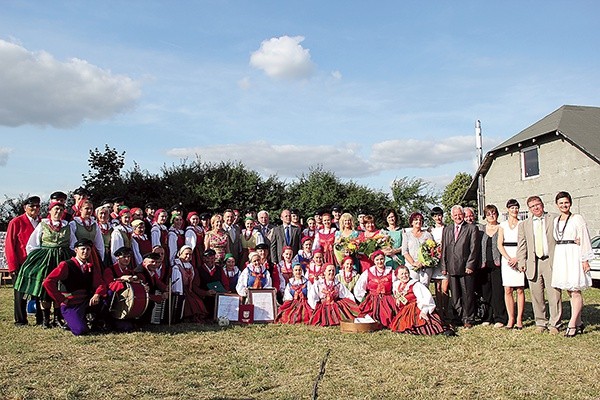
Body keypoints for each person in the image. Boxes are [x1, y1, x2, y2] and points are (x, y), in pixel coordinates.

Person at [14, 201, 72, 328]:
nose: (58, 212)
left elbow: (73, 243)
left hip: (63, 258)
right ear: (50, 211)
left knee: (60, 287)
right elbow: (32, 244)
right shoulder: (43, 225)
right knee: (46, 287)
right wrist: (36, 260)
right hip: (46, 259)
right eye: (56, 209)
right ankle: (46, 319)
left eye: (61, 210)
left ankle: (57, 318)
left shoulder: (68, 226)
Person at [42, 239, 107, 336]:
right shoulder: (66, 265)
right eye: (83, 249)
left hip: (86, 302)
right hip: (71, 303)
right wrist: (61, 299)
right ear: (76, 250)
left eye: (88, 249)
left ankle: (93, 319)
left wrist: (97, 294)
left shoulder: (90, 266)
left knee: (106, 298)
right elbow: (48, 282)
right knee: (80, 331)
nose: (86, 252)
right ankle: (72, 322)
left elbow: (101, 284)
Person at [517, 196, 562, 334]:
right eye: (532, 206)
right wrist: (521, 261)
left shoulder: (554, 218)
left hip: (550, 261)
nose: (536, 208)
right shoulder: (524, 224)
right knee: (536, 295)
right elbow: (522, 244)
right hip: (533, 262)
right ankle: (541, 322)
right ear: (529, 209)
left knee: (554, 294)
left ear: (542, 205)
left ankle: (555, 323)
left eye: (537, 205)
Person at [551, 191, 593, 337]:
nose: (564, 205)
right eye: (561, 203)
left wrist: (585, 259)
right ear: (557, 205)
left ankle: (572, 324)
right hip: (562, 255)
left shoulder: (577, 218)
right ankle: (579, 322)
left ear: (570, 203)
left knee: (575, 290)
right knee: (569, 290)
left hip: (574, 255)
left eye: (566, 202)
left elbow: (585, 239)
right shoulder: (556, 220)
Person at [5, 196, 42, 326]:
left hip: (38, 263)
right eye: (32, 206)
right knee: (20, 293)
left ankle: (40, 317)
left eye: (38, 206)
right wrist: (13, 267)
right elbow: (10, 245)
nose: (35, 209)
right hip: (22, 263)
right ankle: (20, 319)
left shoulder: (42, 222)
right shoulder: (16, 222)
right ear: (25, 207)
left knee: (38, 291)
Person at [440, 205, 479, 328]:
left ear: (463, 215)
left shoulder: (471, 228)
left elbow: (474, 249)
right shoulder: (447, 229)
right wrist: (444, 266)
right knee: (455, 295)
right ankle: (458, 316)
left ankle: (468, 318)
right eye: (455, 215)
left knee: (467, 294)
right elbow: (444, 249)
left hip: (465, 267)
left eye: (460, 214)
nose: (458, 217)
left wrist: (470, 264)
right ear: (451, 217)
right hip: (451, 267)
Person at [389, 265, 451, 335]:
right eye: (402, 274)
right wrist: (397, 298)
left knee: (423, 324)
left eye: (406, 273)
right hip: (405, 309)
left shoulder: (416, 285)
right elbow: (397, 294)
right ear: (397, 276)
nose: (405, 276)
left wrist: (424, 311)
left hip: (417, 307)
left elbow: (425, 298)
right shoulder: (397, 284)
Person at [497, 199, 525, 329]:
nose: (515, 210)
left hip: (519, 255)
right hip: (507, 257)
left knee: (519, 289)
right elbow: (499, 244)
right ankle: (511, 318)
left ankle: (519, 319)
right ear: (508, 209)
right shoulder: (502, 225)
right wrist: (508, 258)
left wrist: (517, 258)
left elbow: (525, 243)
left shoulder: (522, 224)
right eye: (512, 208)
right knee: (508, 289)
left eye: (516, 207)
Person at [479, 204, 508, 328]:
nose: (491, 216)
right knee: (486, 293)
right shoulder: (481, 229)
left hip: (498, 265)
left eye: (493, 213)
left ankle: (500, 318)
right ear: (485, 216)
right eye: (489, 214)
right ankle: (487, 317)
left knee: (498, 292)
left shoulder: (502, 228)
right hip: (484, 266)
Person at [354, 250, 398, 328]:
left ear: (384, 259)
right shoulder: (368, 272)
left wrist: (396, 298)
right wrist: (363, 299)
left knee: (390, 318)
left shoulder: (391, 272)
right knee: (367, 317)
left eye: (381, 259)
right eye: (377, 260)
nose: (380, 261)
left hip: (387, 299)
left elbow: (396, 286)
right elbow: (359, 287)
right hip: (372, 300)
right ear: (374, 261)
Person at [172, 245, 209, 322]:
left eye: (190, 254)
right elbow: (176, 283)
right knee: (190, 302)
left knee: (197, 301)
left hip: (189, 289)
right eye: (186, 254)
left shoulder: (190, 266)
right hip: (181, 289)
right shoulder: (176, 266)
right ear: (180, 254)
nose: (188, 256)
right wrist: (180, 294)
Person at [69, 199, 105, 269]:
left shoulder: (94, 224)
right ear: (80, 210)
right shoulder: (73, 224)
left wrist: (101, 258)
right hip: (79, 254)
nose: (89, 211)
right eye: (86, 208)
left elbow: (99, 243)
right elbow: (72, 243)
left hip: (92, 254)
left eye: (91, 209)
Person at [401, 212, 434, 285]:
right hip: (412, 267)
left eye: (420, 220)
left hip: (425, 267)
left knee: (424, 289)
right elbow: (404, 251)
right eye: (416, 219)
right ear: (411, 222)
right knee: (413, 288)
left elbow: (432, 251)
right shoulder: (407, 235)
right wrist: (413, 263)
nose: (418, 221)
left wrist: (425, 262)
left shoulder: (427, 235)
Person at [196, 248, 231, 317]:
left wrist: (224, 293)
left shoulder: (219, 269)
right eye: (207, 258)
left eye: (212, 258)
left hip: (218, 297)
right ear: (203, 259)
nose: (210, 260)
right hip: (205, 298)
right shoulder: (199, 270)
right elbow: (195, 286)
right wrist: (205, 293)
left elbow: (225, 283)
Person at [429, 206, 449, 321]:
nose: (438, 218)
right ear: (433, 217)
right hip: (435, 260)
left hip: (445, 261)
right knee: (437, 288)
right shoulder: (430, 230)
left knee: (445, 288)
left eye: (440, 215)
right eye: (435, 216)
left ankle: (446, 310)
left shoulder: (447, 228)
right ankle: (439, 311)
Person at [95, 203, 113, 268]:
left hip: (109, 253)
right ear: (97, 215)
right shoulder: (94, 226)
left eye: (105, 213)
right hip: (97, 252)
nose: (103, 215)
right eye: (101, 213)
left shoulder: (112, 227)